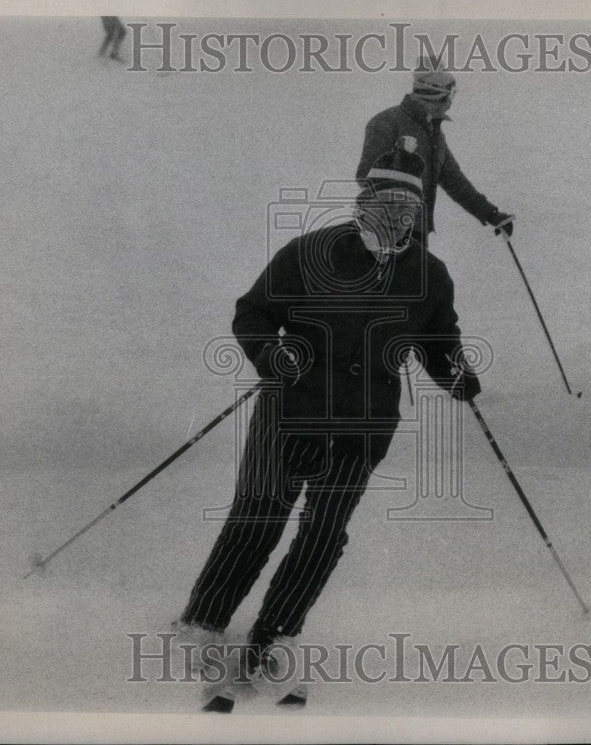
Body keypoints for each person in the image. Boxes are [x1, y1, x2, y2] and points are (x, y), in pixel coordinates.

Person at [173, 138, 482, 702]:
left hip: (364, 430)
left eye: (410, 208)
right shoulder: (310, 252)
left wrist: (455, 371)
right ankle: (202, 625)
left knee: (323, 534)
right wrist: (271, 353)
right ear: (363, 201)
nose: (399, 216)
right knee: (258, 518)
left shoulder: (430, 274)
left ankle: (272, 639)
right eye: (388, 203)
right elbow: (253, 312)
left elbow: (439, 339)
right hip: (291, 413)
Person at [356, 58, 515, 242]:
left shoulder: (435, 137)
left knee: (433, 271)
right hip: (383, 230)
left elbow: (456, 182)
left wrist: (491, 214)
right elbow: (365, 175)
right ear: (436, 95)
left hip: (416, 233)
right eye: (451, 94)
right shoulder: (387, 123)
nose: (451, 103)